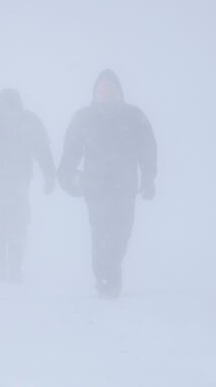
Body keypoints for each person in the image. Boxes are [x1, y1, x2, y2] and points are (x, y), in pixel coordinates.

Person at [58, 69, 157, 298]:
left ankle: (111, 268)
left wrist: (149, 177)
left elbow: (148, 149)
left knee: (121, 234)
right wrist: (66, 176)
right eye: (101, 89)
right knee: (100, 233)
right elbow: (71, 151)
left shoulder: (134, 116)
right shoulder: (83, 117)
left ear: (119, 92)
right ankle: (105, 280)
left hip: (125, 187)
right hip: (94, 187)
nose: (106, 93)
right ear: (95, 93)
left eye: (110, 89)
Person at [0, 89, 56, 282]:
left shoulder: (28, 121)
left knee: (17, 220)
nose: (7, 116)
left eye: (11, 112)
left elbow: (42, 151)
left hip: (18, 179)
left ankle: (14, 268)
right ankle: (0, 268)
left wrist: (50, 176)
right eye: (3, 111)